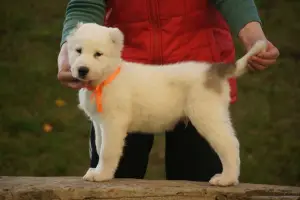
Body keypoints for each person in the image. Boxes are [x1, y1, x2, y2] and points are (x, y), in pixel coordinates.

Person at [57, 0, 279, 181]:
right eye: (79, 51)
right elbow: (85, 3)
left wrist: (253, 33)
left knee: (199, 179)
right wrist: (68, 50)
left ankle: (231, 171)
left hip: (197, 70)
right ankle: (103, 168)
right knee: (111, 183)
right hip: (126, 65)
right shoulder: (98, 83)